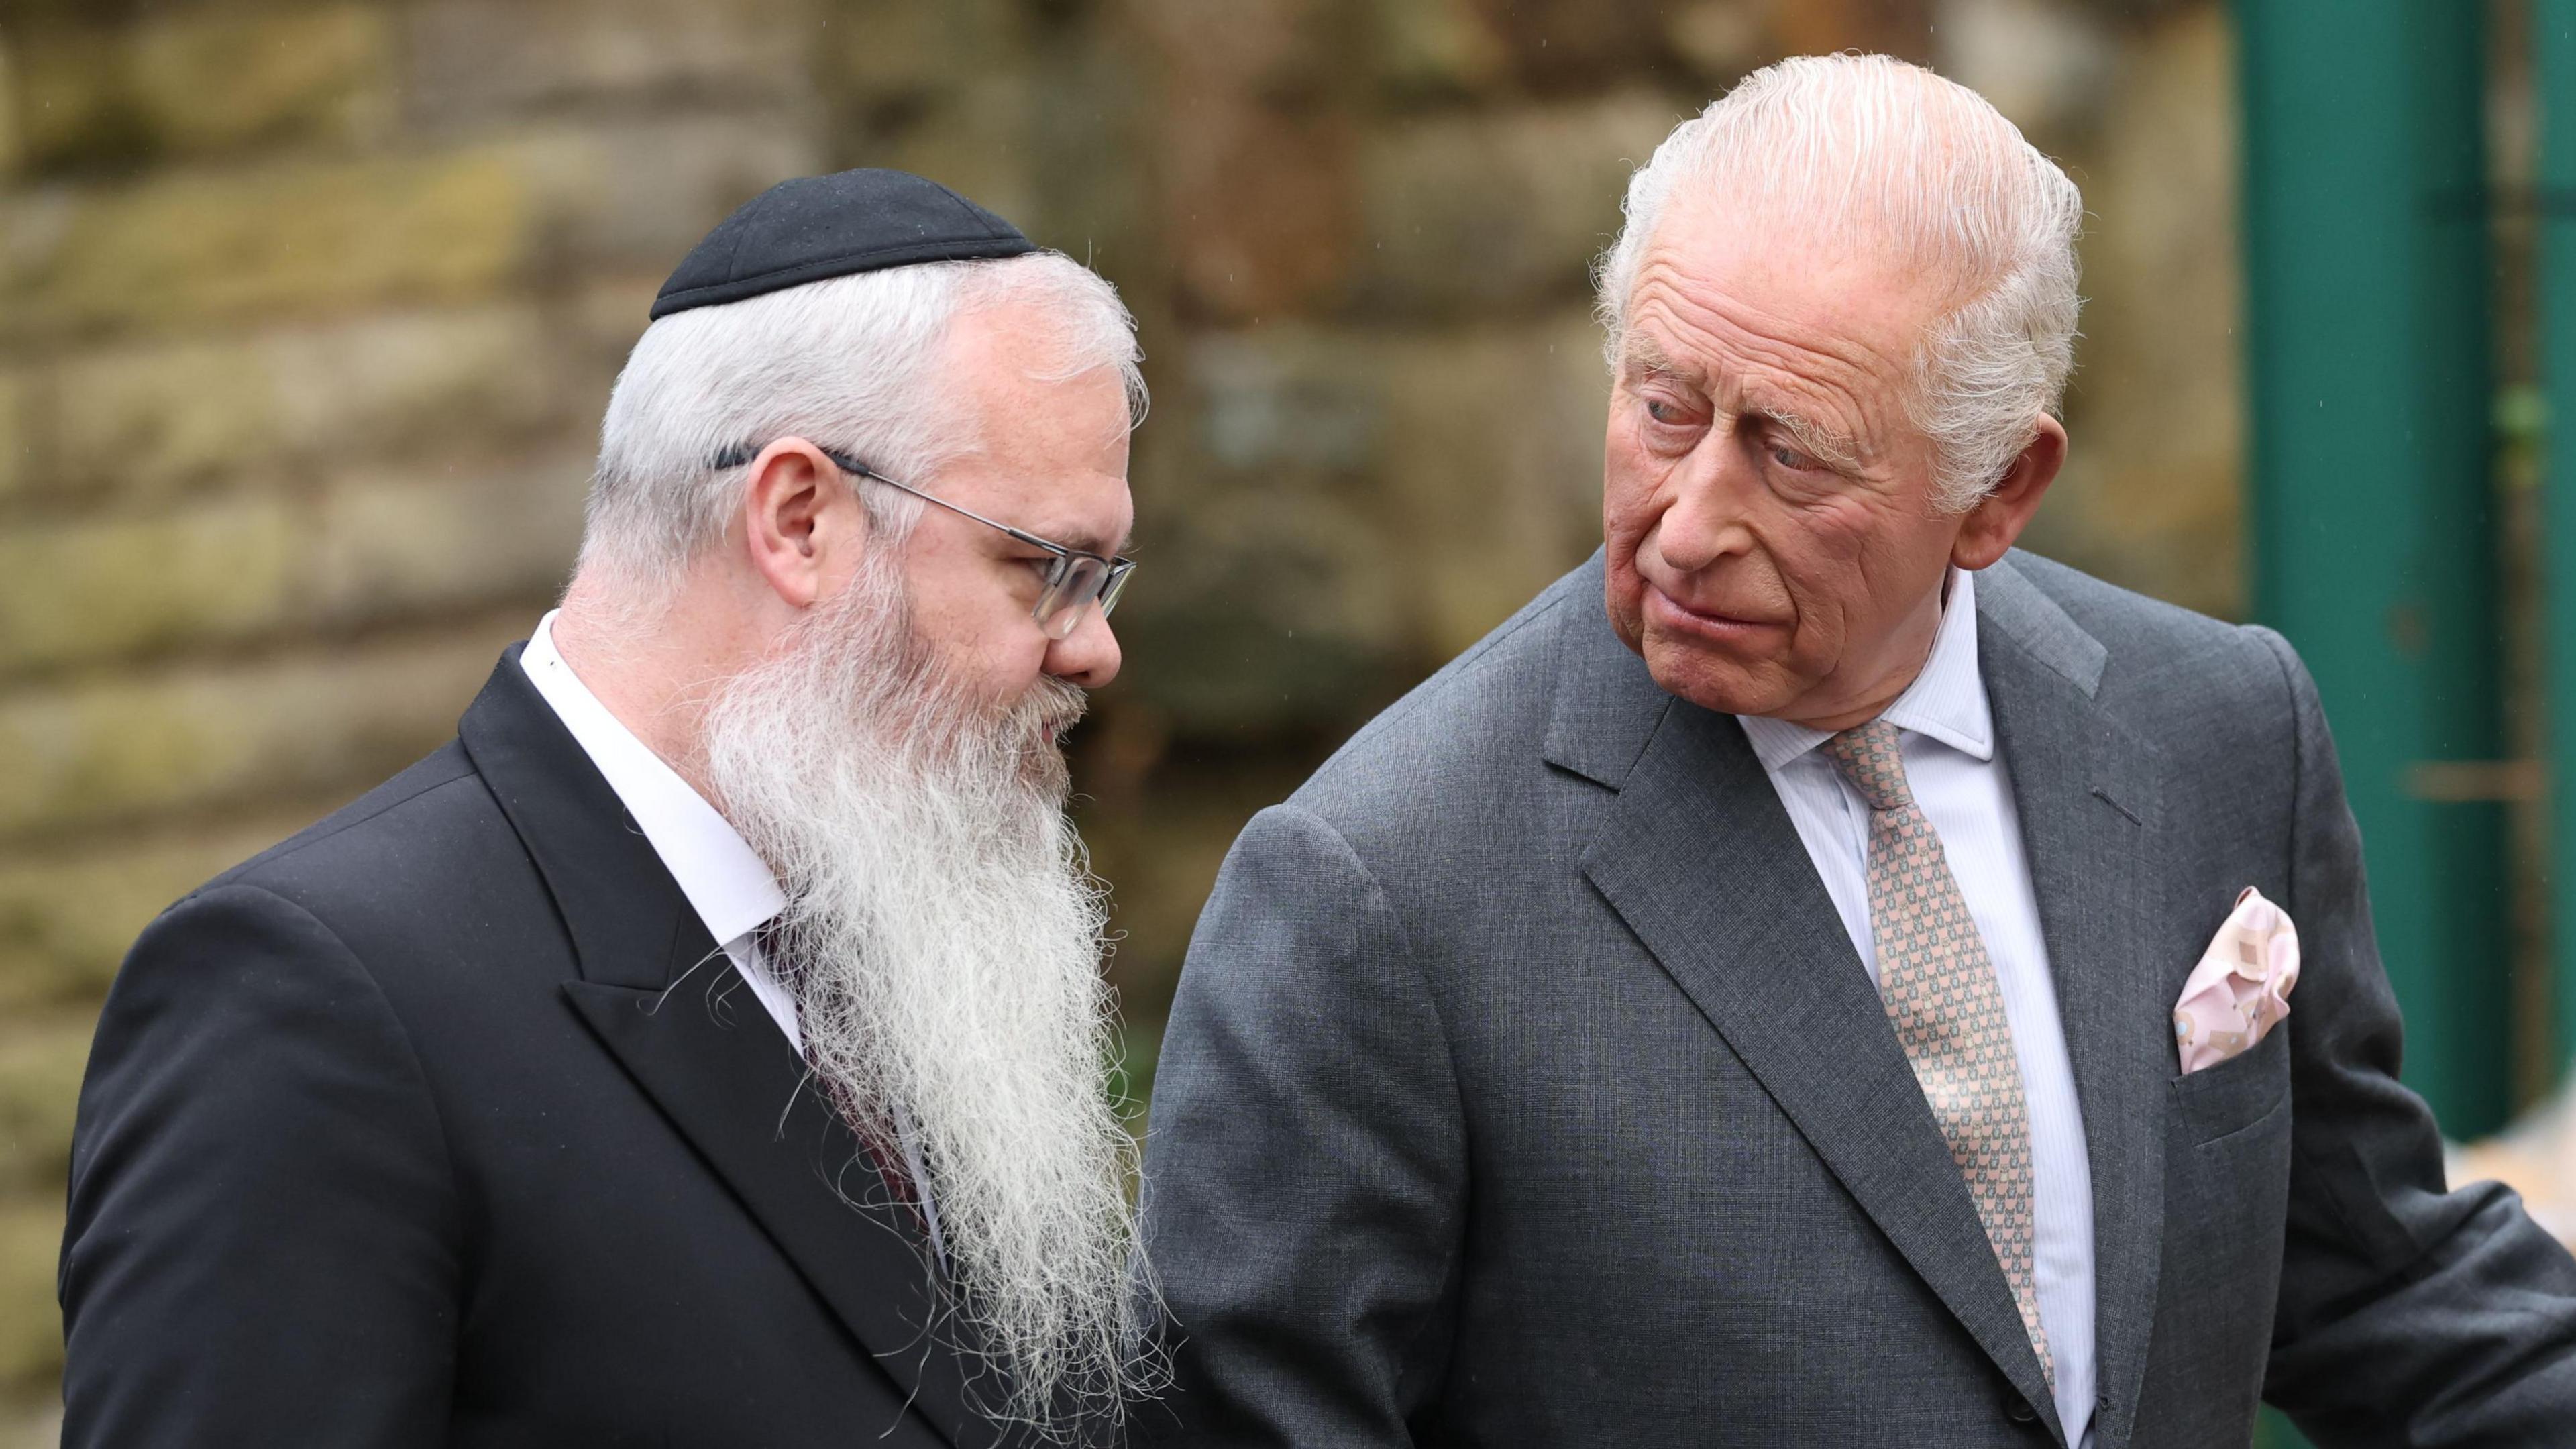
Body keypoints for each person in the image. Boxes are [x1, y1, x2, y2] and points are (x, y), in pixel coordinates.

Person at [1137, 55, 2576, 1448]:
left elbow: (2377, 1282)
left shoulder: (2213, 726)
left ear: (1999, 490)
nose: (1691, 519)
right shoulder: (1380, 886)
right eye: (1663, 408)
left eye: (1793, 452)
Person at [60, 168, 1161, 1448]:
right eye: (1047, 570)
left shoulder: (905, 956)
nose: (1094, 652)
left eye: (1106, 580)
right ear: (801, 518)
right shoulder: (312, 998)